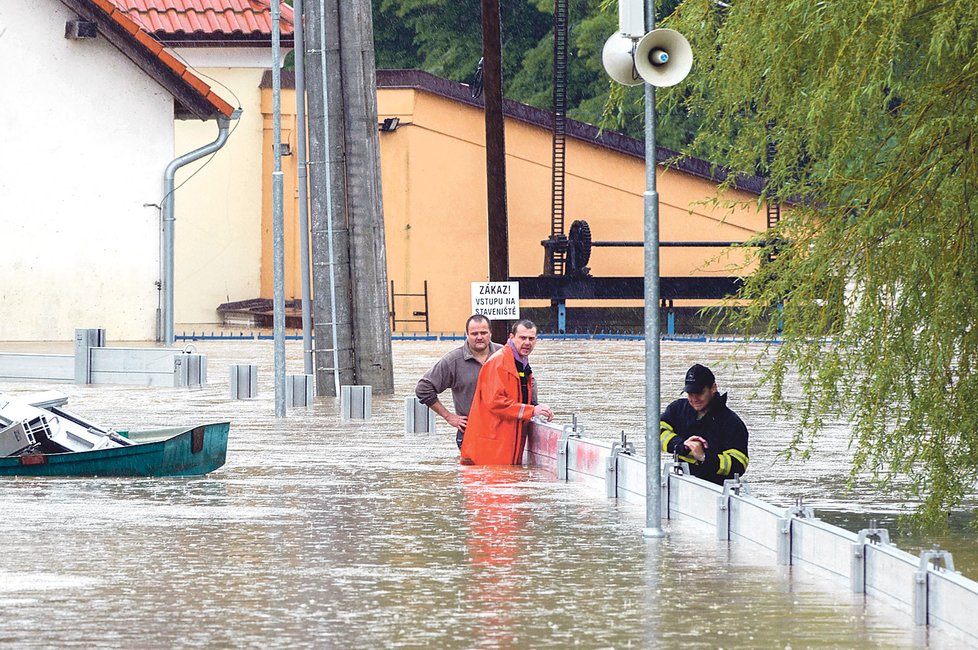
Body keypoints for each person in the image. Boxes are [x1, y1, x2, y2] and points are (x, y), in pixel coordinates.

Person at [460, 319, 554, 465]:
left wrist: (537, 408)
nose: (527, 342)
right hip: (490, 450)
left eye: (531, 338)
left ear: (536, 340)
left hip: (502, 445)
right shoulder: (500, 362)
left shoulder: (519, 363)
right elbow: (495, 402)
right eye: (522, 338)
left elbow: (517, 397)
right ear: (511, 337)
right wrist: (532, 411)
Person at [416, 314, 502, 449]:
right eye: (474, 333)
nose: (479, 337)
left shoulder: (505, 354)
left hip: (504, 433)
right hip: (470, 435)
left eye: (483, 333)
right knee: (475, 471)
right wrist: (449, 416)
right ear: (466, 334)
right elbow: (423, 388)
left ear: (490, 333)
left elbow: (527, 381)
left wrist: (534, 407)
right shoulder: (453, 361)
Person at [659, 363, 750, 485]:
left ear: (713, 388)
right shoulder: (677, 409)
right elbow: (654, 433)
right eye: (690, 393)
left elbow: (739, 464)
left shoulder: (732, 423)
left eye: (699, 393)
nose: (694, 398)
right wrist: (682, 445)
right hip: (681, 486)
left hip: (715, 491)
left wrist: (704, 457)